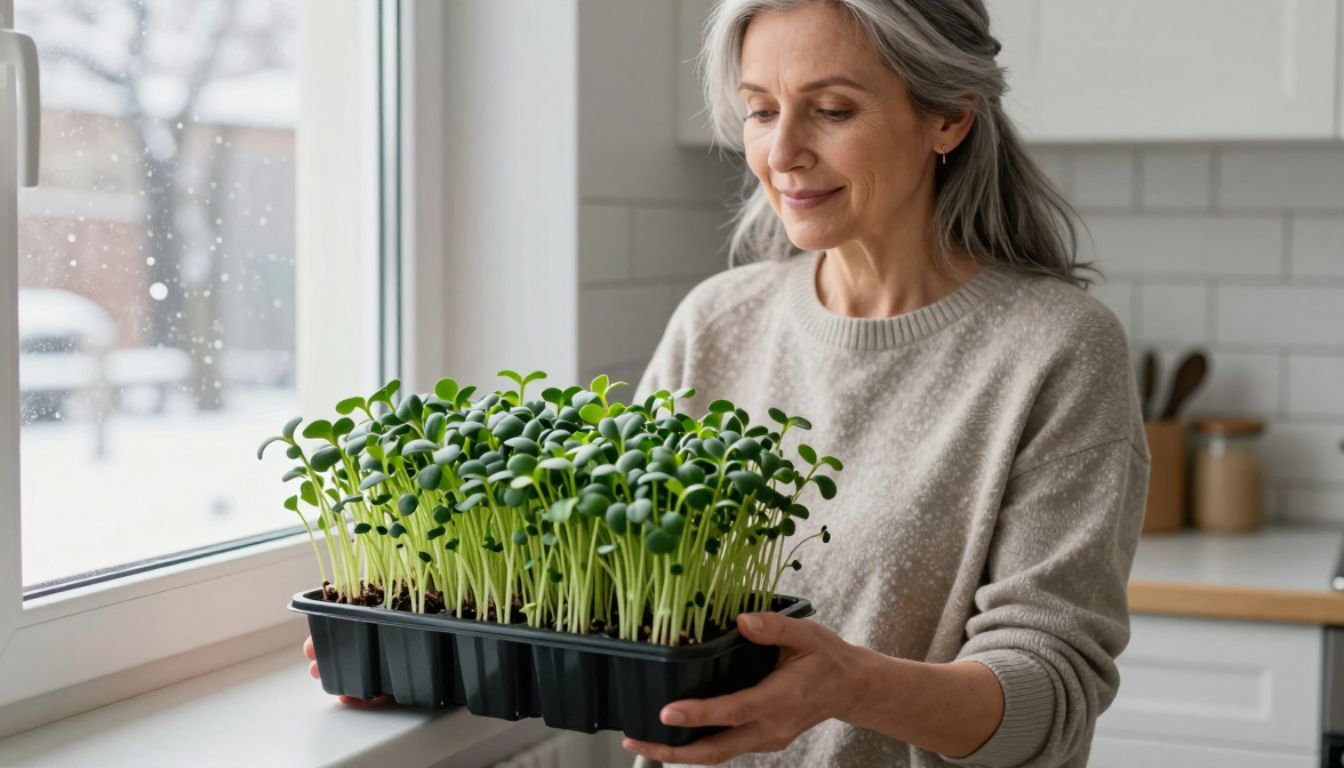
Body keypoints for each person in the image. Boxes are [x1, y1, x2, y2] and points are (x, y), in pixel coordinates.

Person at [307, 1, 1150, 766]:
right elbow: (597, 596)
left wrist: (849, 685)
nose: (781, 154)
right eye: (759, 109)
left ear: (949, 116)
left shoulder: (1057, 348)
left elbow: (1052, 696)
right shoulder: (717, 320)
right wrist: (421, 657)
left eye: (831, 110)